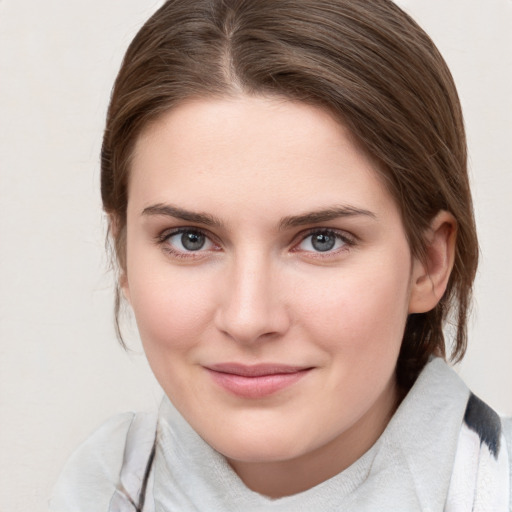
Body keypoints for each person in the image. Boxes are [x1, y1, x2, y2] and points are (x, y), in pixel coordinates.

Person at [50, 0, 511, 510]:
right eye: (190, 239)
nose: (249, 319)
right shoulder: (92, 489)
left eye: (322, 240)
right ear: (124, 257)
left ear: (428, 262)